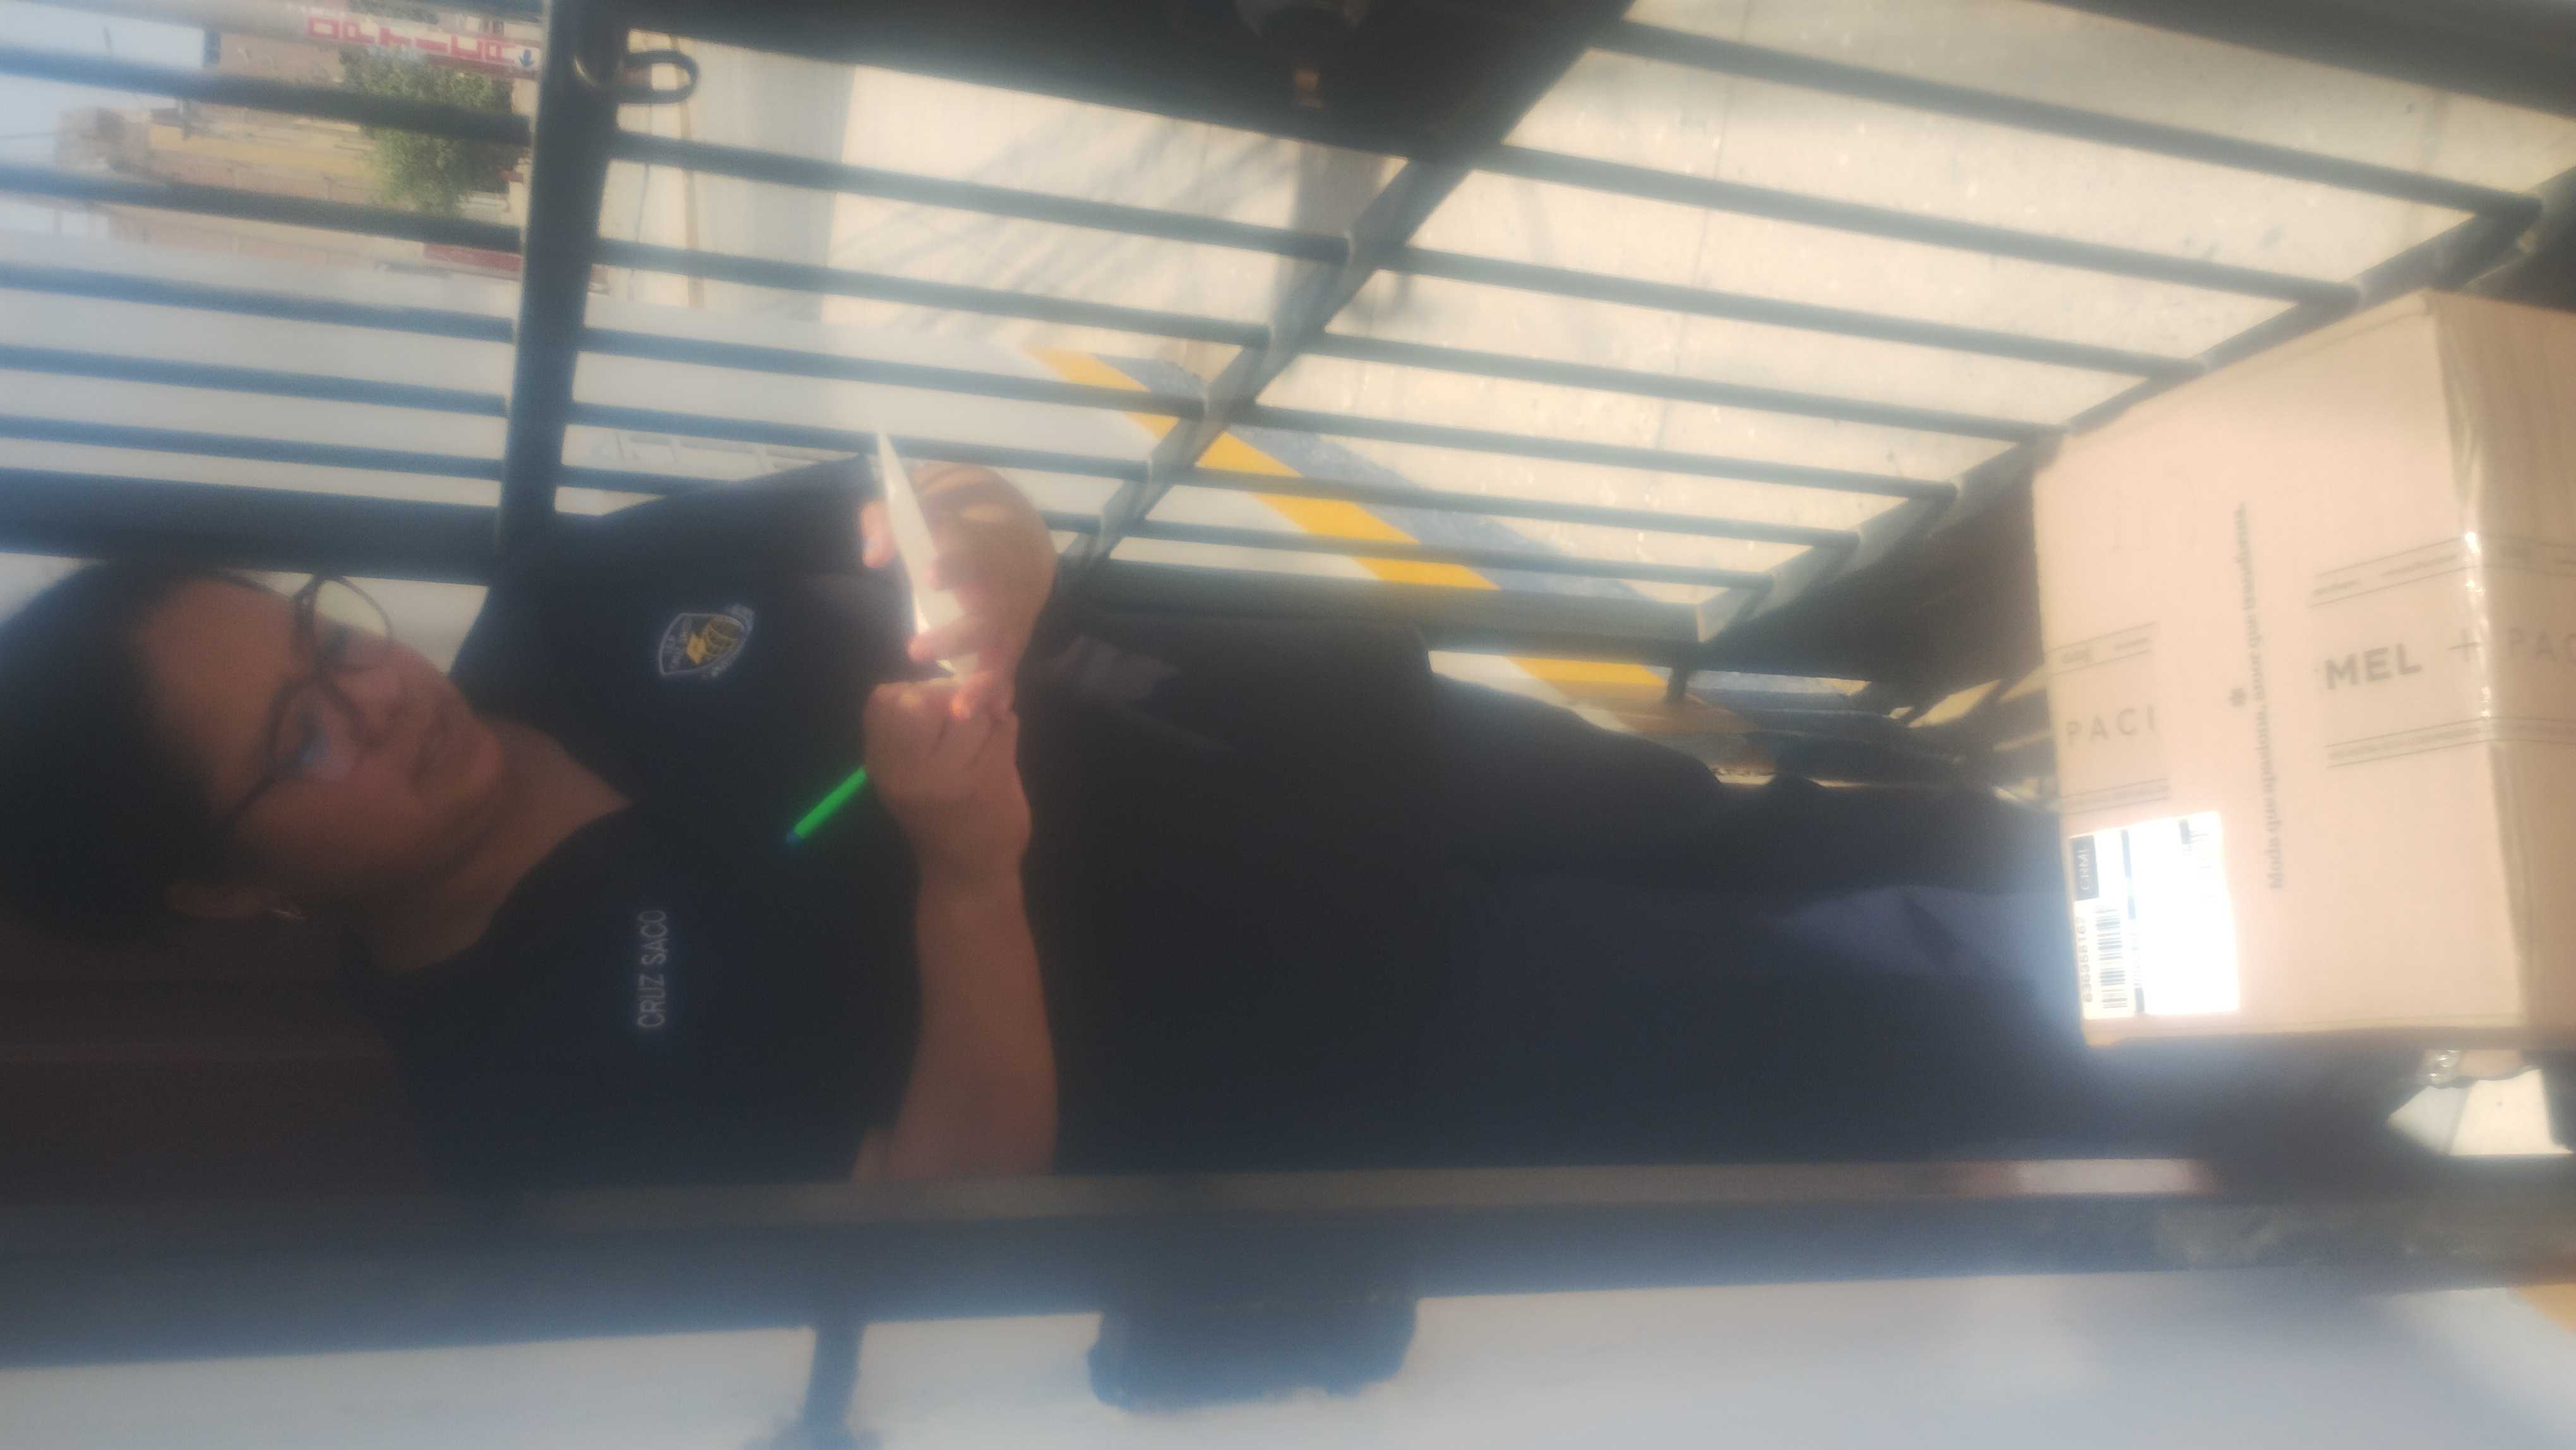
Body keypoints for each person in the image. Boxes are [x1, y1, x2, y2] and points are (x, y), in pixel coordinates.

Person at [0, 458, 2241, 1190]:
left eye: (326, 630)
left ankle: (2288, 842)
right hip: (1364, 1021)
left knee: (1792, 835)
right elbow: (947, 1197)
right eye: (299, 737)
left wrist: (984, 573)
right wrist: (965, 877)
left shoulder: (569, 608)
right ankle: (2362, 997)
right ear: (219, 887)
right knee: (1939, 1001)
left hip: (1354, 758)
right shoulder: (523, 1098)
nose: (377, 689)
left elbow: (928, 500)